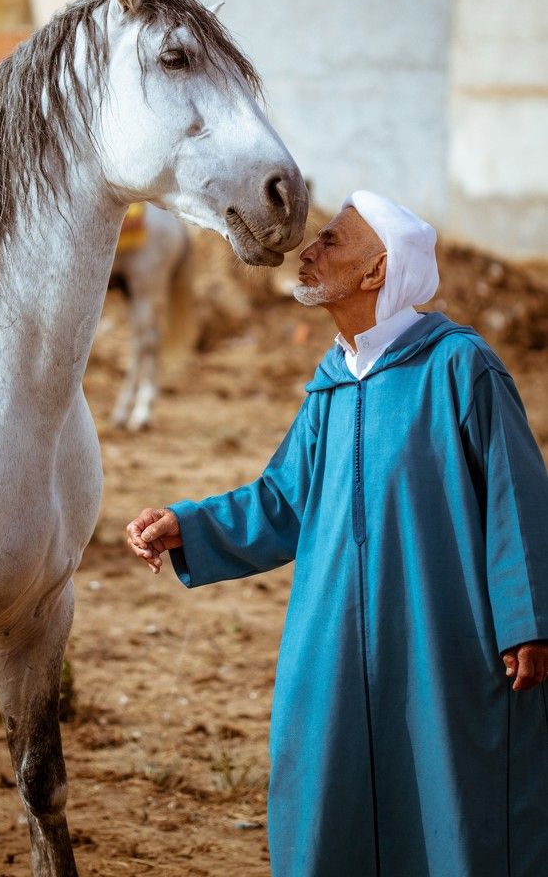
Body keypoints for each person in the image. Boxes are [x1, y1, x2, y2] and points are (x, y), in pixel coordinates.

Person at [126, 190, 548, 877]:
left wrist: (527, 620)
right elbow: (284, 499)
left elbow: (515, 496)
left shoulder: (458, 368)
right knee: (327, 793)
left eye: (330, 242)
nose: (308, 251)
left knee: (451, 802)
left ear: (377, 272)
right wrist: (187, 526)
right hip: (331, 648)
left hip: (438, 641)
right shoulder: (331, 383)